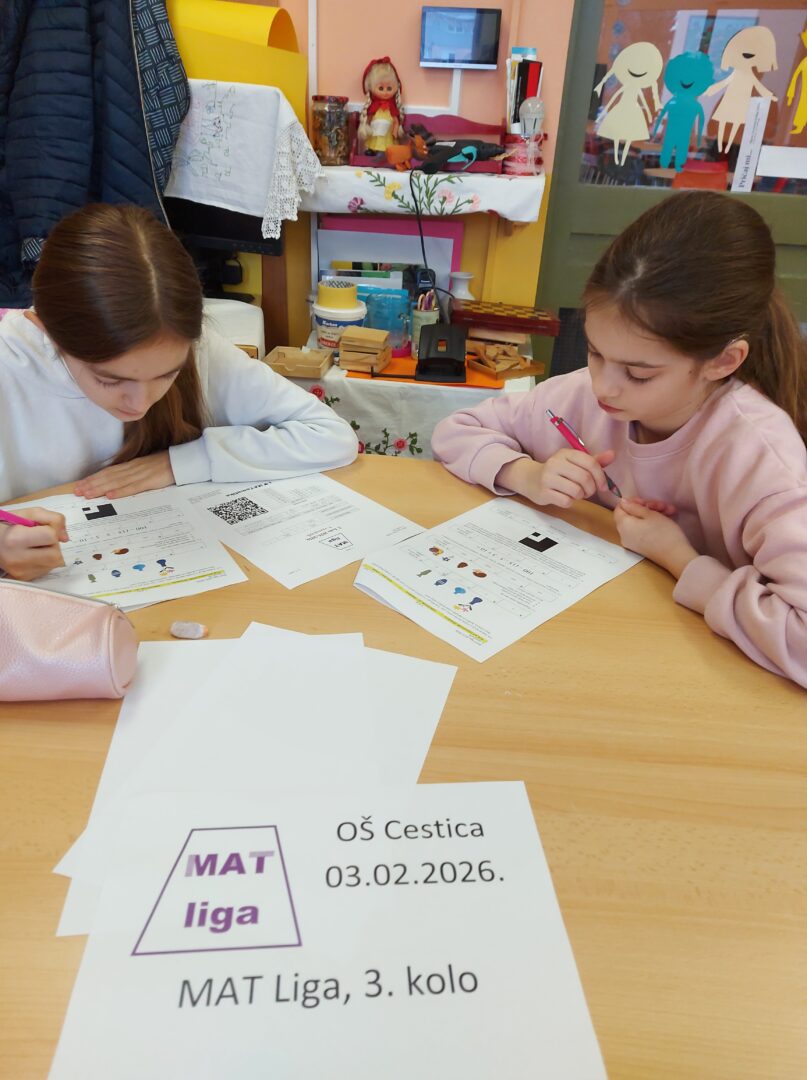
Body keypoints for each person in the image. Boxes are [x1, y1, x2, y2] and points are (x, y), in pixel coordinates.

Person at [432, 192, 807, 687]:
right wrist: (526, 474)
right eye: (593, 352)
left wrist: (679, 558)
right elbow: (456, 430)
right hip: (587, 648)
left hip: (702, 681)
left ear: (722, 361)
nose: (604, 387)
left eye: (638, 373)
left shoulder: (761, 457)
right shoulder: (579, 395)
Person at [0, 203, 358, 581]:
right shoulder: (10, 364)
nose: (140, 404)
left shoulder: (197, 349)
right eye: (110, 380)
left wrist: (183, 462)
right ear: (46, 329)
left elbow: (331, 436)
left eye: (166, 375)